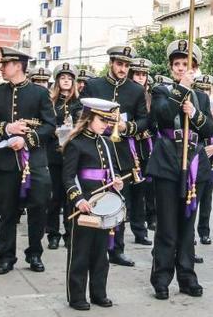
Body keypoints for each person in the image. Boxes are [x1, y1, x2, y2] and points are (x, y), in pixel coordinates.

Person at [146, 40, 213, 300]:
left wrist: (195, 113)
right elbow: (161, 117)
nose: (181, 69)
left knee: (188, 227)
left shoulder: (203, 97)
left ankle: (187, 277)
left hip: (195, 165)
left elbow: (209, 129)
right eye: (177, 65)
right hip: (167, 162)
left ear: (194, 68)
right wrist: (181, 90)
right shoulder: (162, 90)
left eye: (186, 65)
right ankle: (161, 278)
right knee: (166, 226)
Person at [0, 47, 56, 275]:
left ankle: (34, 253)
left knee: (38, 209)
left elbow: (49, 126)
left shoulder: (40, 93)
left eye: (5, 64)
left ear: (18, 65)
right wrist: (7, 128)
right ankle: (5, 257)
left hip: (34, 161)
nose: (2, 68)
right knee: (7, 211)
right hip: (4, 162)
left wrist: (26, 139)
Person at [81, 46, 151, 266]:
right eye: (119, 64)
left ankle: (117, 249)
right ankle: (91, 245)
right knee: (94, 199)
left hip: (122, 153)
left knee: (121, 202)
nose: (123, 69)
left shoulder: (136, 90)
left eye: (126, 65)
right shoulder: (94, 85)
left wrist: (126, 126)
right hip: (94, 150)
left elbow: (144, 120)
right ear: (111, 63)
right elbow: (78, 111)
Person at [62, 97, 126, 310]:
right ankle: (77, 296)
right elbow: (68, 177)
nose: (105, 124)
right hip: (84, 206)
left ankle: (99, 293)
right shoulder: (75, 143)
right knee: (80, 252)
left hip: (103, 205)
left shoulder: (106, 143)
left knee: (101, 253)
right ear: (89, 117)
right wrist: (78, 199)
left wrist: (116, 180)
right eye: (101, 119)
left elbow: (113, 169)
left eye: (107, 121)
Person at [47, 62, 83, 250]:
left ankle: (70, 232)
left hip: (72, 155)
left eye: (69, 78)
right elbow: (44, 124)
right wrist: (56, 130)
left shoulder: (79, 103)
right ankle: (53, 234)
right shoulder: (50, 102)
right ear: (57, 81)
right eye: (63, 78)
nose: (66, 81)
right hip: (53, 153)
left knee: (71, 196)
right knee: (54, 197)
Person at [192, 74, 213, 249]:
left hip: (212, 160)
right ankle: (190, 233)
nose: (204, 92)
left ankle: (204, 231)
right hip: (196, 157)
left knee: (207, 200)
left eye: (207, 89)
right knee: (193, 198)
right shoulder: (194, 108)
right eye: (201, 89)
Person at [128, 58, 157, 233]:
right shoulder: (126, 92)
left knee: (146, 187)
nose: (141, 77)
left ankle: (141, 228)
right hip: (128, 143)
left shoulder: (151, 97)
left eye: (144, 74)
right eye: (137, 74)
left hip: (146, 145)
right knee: (130, 188)